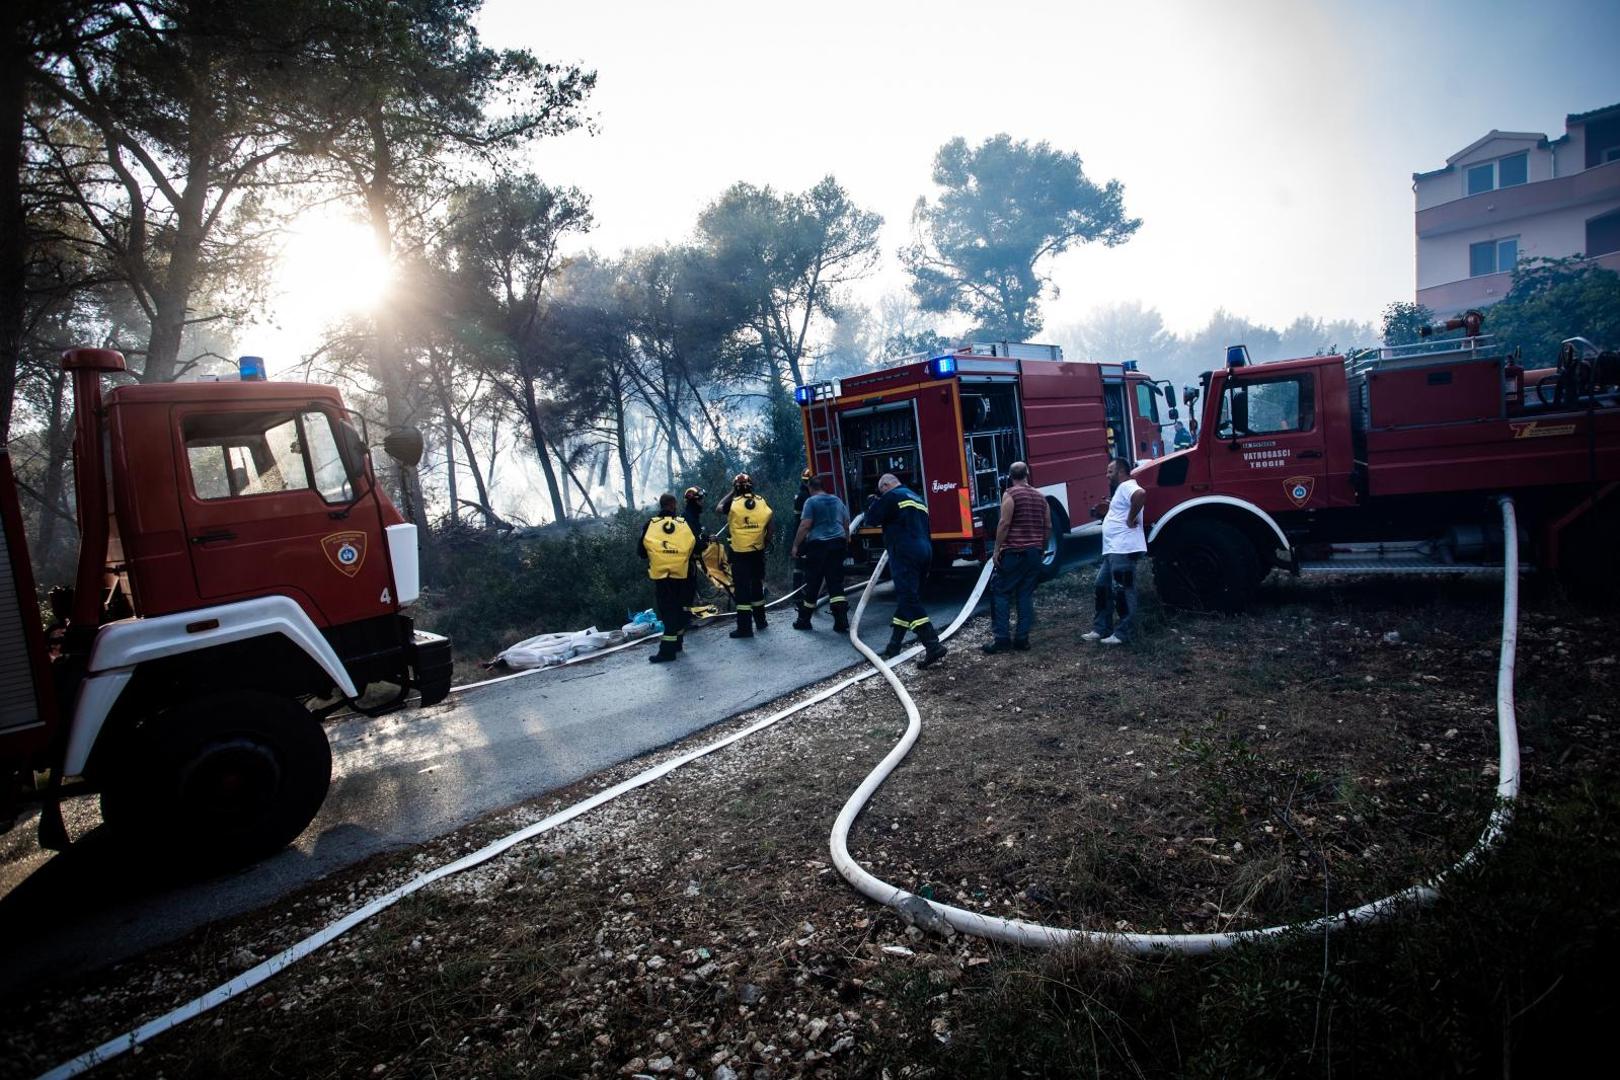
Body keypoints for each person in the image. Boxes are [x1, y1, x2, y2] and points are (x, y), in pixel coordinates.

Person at [864, 473, 947, 667]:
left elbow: (871, 519)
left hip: (905, 552)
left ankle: (932, 645)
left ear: (886, 485)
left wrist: (873, 502)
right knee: (908, 597)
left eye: (881, 490)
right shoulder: (916, 498)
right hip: (925, 551)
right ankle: (894, 645)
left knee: (908, 599)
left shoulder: (891, 496)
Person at [982, 461, 1050, 654]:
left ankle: (1002, 639)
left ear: (1010, 476)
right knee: (1025, 595)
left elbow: (1004, 523)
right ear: (1027, 473)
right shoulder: (1040, 497)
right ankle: (1022, 639)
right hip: (1034, 554)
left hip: (1015, 553)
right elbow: (1048, 526)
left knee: (1001, 592)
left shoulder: (1010, 494)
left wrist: (996, 550)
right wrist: (1042, 548)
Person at [1085, 457, 1147, 646]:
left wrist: (1131, 518)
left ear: (1120, 471)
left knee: (1122, 589)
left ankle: (1123, 634)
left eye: (1110, 471)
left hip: (1124, 548)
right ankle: (1101, 628)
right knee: (1102, 586)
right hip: (1113, 549)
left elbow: (1140, 494)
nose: (1107, 475)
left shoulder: (1128, 485)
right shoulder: (1121, 490)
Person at [638, 493, 699, 663]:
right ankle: (677, 643)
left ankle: (667, 652)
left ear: (661, 505)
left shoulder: (650, 524)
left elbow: (641, 552)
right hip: (682, 574)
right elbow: (694, 546)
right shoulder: (682, 524)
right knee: (678, 609)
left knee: (668, 611)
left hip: (662, 576)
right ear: (673, 505)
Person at [789, 474, 851, 633]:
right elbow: (845, 522)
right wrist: (847, 540)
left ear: (810, 488)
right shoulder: (836, 500)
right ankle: (841, 621)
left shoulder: (811, 501)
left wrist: (796, 545)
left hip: (818, 546)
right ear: (823, 487)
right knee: (835, 582)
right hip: (838, 544)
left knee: (813, 582)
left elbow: (805, 525)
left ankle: (804, 620)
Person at [717, 472, 773, 638]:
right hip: (757, 552)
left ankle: (745, 629)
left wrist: (732, 492)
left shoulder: (733, 504)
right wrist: (765, 543)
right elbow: (771, 526)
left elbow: (719, 507)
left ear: (736, 488)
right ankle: (761, 621)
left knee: (742, 592)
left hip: (740, 555)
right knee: (756, 586)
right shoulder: (761, 502)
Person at [680, 486, 710, 620]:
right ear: (694, 501)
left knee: (689, 590)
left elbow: (697, 536)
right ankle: (685, 620)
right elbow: (694, 542)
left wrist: (707, 538)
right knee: (687, 591)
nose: (702, 503)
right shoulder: (688, 518)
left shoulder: (690, 516)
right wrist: (705, 544)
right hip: (686, 562)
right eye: (700, 500)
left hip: (688, 561)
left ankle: (686, 618)